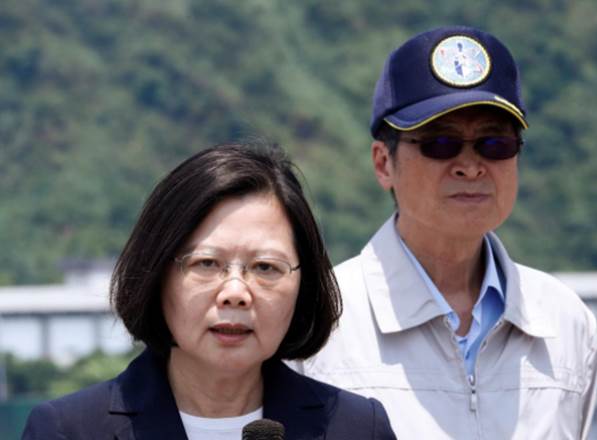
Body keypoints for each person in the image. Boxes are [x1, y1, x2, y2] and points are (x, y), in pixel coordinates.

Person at [297, 25, 597, 439]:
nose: (470, 167)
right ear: (383, 163)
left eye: (494, 144)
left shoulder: (565, 324)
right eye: (440, 143)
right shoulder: (320, 321)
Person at [22, 143, 396, 440]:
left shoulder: (358, 429)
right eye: (206, 263)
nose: (235, 292)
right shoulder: (68, 430)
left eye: (265, 267)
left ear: (303, 283)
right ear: (157, 274)